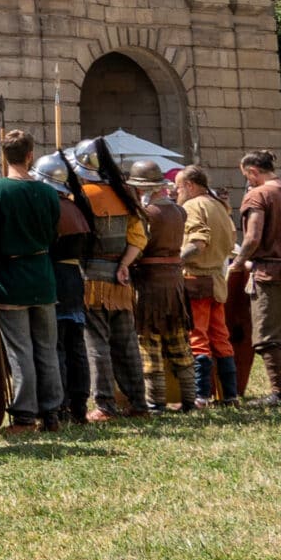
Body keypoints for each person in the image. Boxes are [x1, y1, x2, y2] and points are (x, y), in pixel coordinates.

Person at [0, 129, 65, 432]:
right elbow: (53, 235)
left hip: (12, 278)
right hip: (42, 276)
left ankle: (26, 415)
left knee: (21, 350)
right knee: (46, 348)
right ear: (30, 155)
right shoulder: (49, 192)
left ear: (5, 155)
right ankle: (51, 413)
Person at [65, 151, 146, 420]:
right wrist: (124, 264)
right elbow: (138, 238)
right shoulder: (124, 195)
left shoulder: (80, 197)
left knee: (96, 343)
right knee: (126, 342)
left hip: (91, 280)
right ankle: (138, 403)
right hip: (120, 279)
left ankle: (105, 405)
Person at [234, 150, 281, 403]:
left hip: (268, 274)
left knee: (266, 337)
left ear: (254, 171)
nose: (248, 180)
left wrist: (238, 262)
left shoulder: (258, 195)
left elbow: (252, 237)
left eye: (247, 175)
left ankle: (279, 393)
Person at [126, 164, 194, 411]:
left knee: (149, 341)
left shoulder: (146, 214)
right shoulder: (179, 211)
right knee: (178, 340)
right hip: (174, 282)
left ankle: (156, 402)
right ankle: (189, 399)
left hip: (150, 283)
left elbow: (138, 248)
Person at [178, 167, 241, 406]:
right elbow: (231, 242)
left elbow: (198, 242)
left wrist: (177, 261)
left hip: (197, 280)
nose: (177, 192)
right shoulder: (219, 206)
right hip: (216, 279)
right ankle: (229, 395)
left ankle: (201, 396)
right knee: (220, 336)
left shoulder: (193, 206)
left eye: (179, 187)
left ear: (191, 186)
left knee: (197, 337)